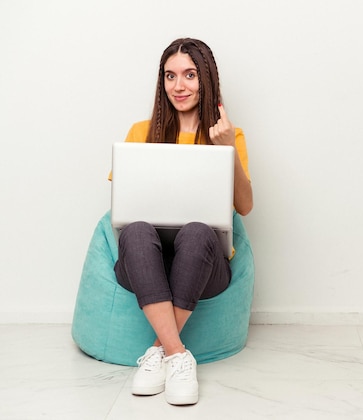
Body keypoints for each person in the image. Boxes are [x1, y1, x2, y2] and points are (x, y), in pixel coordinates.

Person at [110, 38, 253, 406]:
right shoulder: (140, 132)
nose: (179, 86)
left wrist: (227, 150)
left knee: (197, 231)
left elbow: (246, 206)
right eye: (170, 76)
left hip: (205, 268)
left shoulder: (228, 135)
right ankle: (178, 355)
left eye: (189, 75)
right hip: (145, 265)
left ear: (206, 81)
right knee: (138, 230)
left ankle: (160, 352)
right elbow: (122, 209)